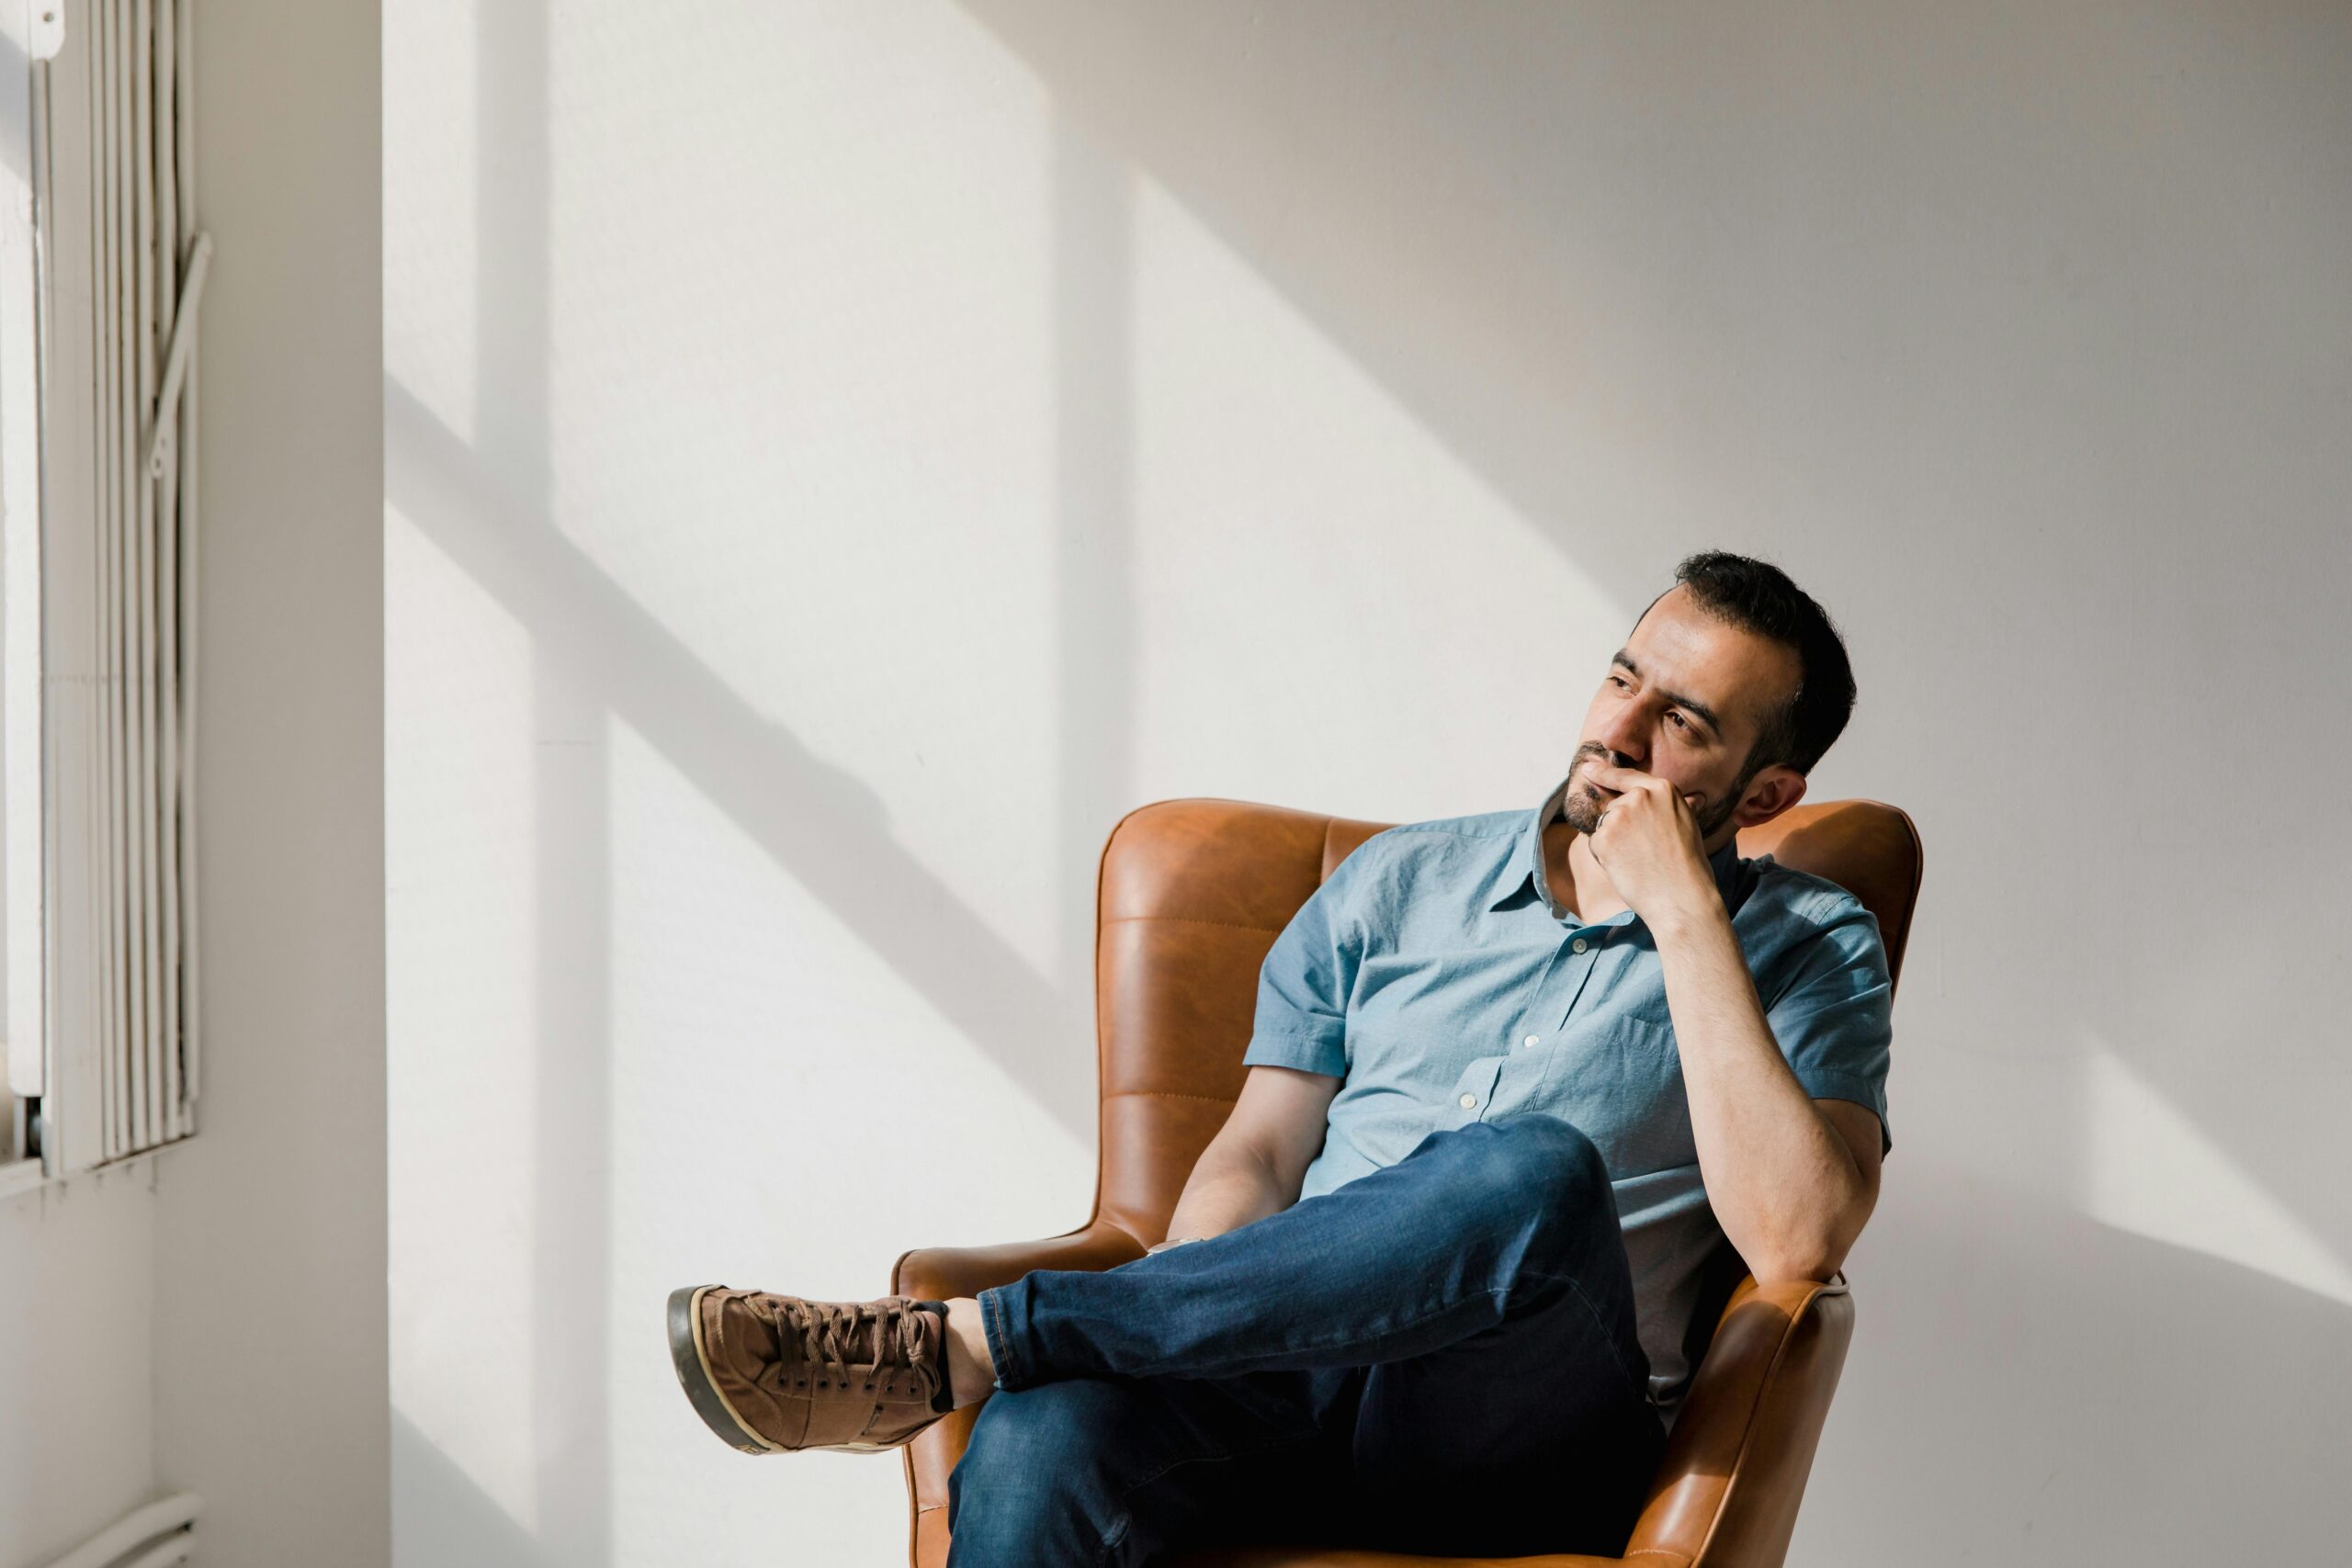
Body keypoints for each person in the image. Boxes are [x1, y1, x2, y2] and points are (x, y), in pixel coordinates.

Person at [665, 549, 1894, 1563]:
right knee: (1044, 1432)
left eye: (1679, 722)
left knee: (1529, 1171)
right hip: (1282, 1387)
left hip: (1511, 1434)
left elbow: (1800, 1239)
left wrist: (1683, 914)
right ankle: (1017, 1356)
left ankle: (962, 1343)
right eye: (1622, 679)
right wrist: (1178, 1332)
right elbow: (1256, 1153)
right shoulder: (1400, 884)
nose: (1617, 731)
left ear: (1764, 790)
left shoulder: (1805, 943)